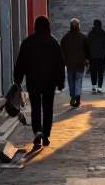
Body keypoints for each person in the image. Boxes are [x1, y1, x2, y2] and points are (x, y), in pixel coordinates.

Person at [13, 15, 66, 147]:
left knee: (35, 107)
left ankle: (37, 131)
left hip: (33, 80)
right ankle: (46, 135)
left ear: (35, 26)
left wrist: (18, 79)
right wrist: (60, 82)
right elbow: (60, 64)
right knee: (48, 108)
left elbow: (20, 62)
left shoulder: (28, 42)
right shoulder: (54, 43)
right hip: (49, 81)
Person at [60, 18, 90, 107]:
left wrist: (64, 61)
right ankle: (77, 97)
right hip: (80, 63)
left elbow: (62, 50)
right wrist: (87, 60)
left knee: (71, 81)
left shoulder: (65, 38)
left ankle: (72, 96)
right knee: (78, 81)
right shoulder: (83, 37)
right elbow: (87, 50)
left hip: (70, 63)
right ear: (78, 26)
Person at [86, 19, 105, 93]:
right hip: (102, 56)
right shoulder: (104, 33)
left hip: (92, 55)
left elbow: (87, 45)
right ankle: (100, 87)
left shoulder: (90, 34)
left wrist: (86, 56)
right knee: (101, 72)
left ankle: (94, 85)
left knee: (93, 71)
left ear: (93, 25)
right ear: (101, 25)